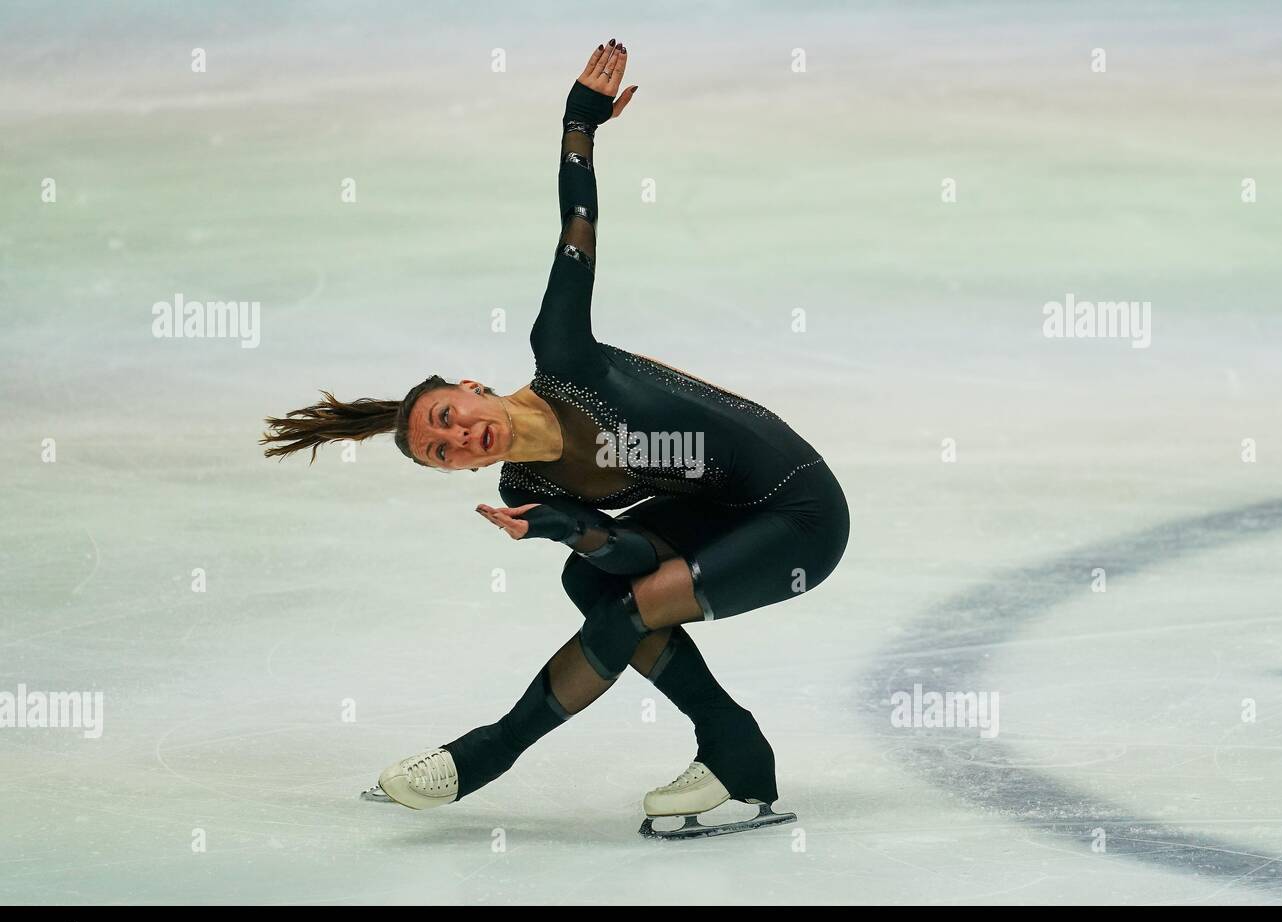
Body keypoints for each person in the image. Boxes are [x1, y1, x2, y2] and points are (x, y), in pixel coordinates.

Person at [261, 39, 850, 838]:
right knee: (592, 588)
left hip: (799, 510)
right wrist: (560, 527)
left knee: (628, 610)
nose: (461, 437)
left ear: (467, 386)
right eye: (444, 451)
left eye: (447, 417)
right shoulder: (525, 489)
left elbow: (578, 220)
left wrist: (581, 122)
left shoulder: (565, 356)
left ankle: (491, 756)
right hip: (725, 517)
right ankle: (734, 748)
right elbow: (628, 553)